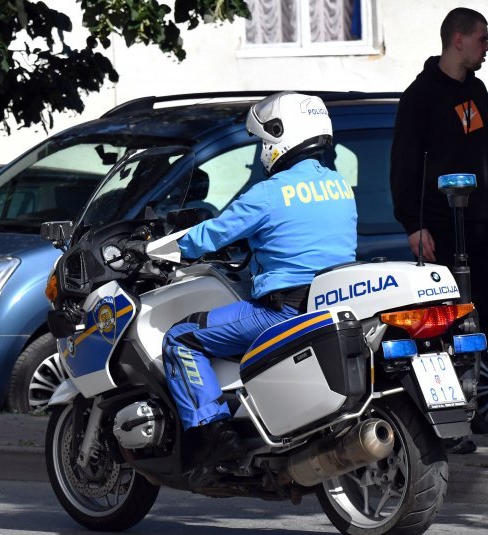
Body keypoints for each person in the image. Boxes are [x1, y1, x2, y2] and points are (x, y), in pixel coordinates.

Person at [126, 92, 358, 487]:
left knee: (181, 339)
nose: (261, 153)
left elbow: (210, 235)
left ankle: (215, 437)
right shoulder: (340, 186)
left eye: (263, 143)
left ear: (281, 138)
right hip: (330, 306)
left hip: (281, 313)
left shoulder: (269, 193)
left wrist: (154, 249)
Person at [390, 7, 488, 455]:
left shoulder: (477, 90)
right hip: (438, 227)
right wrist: (413, 223)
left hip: (480, 227)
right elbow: (402, 162)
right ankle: (448, 419)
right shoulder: (419, 96)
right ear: (458, 40)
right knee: (441, 325)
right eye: (482, 38)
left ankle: (467, 401)